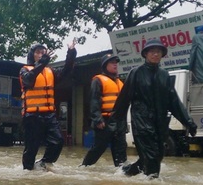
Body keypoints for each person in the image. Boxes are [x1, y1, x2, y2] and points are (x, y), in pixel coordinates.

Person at [112, 38, 198, 179]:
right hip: (141, 122)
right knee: (151, 157)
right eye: (152, 52)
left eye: (158, 52)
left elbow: (174, 102)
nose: (155, 54)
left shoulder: (164, 75)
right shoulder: (136, 73)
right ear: (145, 54)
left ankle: (127, 173)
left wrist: (188, 122)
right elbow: (123, 100)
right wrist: (115, 123)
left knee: (157, 156)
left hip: (160, 123)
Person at [19, 40, 76, 170]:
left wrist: (71, 53)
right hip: (32, 115)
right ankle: (27, 171)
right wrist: (42, 62)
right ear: (32, 55)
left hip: (49, 114)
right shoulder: (25, 70)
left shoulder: (51, 72)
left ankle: (43, 163)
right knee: (32, 147)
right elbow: (29, 80)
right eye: (38, 52)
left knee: (58, 141)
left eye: (43, 52)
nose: (41, 54)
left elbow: (66, 71)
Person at [81, 54, 127, 167]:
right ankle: (85, 167)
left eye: (116, 62)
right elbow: (94, 101)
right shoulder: (98, 80)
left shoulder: (120, 83)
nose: (115, 64)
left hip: (119, 121)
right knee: (99, 147)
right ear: (105, 65)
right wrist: (98, 119)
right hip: (105, 121)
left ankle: (121, 170)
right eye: (112, 62)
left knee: (121, 147)